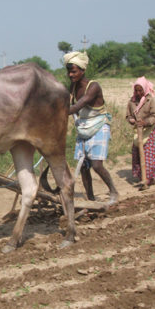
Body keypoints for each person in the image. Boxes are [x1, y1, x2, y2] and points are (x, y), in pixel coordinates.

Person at [64, 51, 119, 206]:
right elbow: (67, 103)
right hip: (83, 127)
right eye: (69, 71)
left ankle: (113, 191)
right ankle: (90, 198)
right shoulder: (73, 87)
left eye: (73, 71)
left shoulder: (93, 86)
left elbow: (77, 105)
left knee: (96, 165)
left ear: (82, 70)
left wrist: (59, 113)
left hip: (99, 126)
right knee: (83, 167)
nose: (70, 75)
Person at [126, 76, 155, 188]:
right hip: (138, 131)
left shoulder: (150, 100)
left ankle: (149, 178)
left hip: (150, 130)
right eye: (136, 90)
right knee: (138, 154)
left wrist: (145, 122)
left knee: (148, 154)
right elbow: (128, 115)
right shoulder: (132, 101)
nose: (138, 92)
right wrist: (131, 120)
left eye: (141, 90)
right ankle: (142, 177)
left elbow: (154, 116)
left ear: (145, 89)